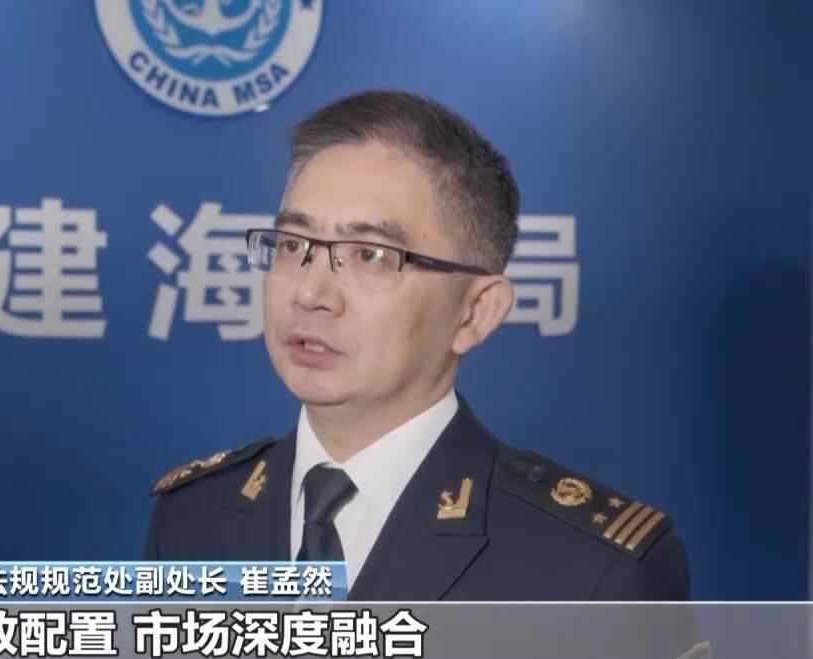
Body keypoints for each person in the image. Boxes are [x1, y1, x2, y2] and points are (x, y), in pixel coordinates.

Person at [143, 90, 690, 601]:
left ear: (476, 312)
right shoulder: (193, 516)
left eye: (371, 255)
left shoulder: (592, 571)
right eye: (292, 245)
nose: (310, 293)